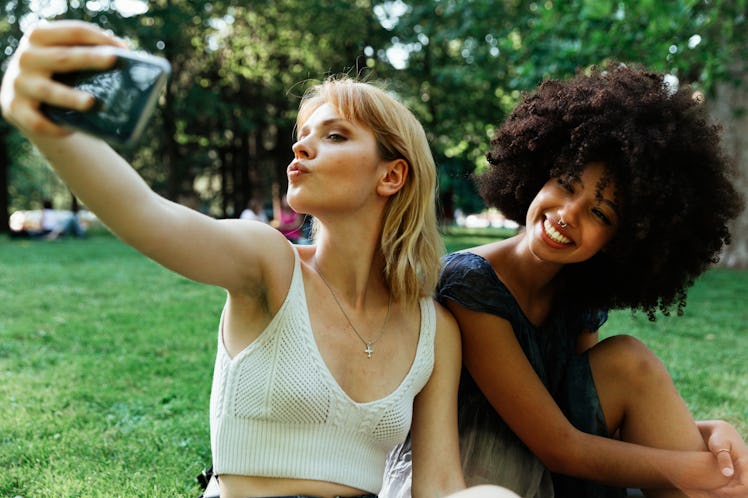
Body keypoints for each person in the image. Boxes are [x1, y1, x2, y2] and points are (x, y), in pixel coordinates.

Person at [0, 20, 520, 498]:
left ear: (391, 176)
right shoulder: (269, 263)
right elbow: (145, 214)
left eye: (334, 135)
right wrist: (51, 128)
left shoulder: (435, 330)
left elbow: (440, 486)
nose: (301, 148)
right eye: (302, 136)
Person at [413, 63, 746, 497]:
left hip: (554, 462)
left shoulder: (576, 294)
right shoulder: (469, 284)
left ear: (618, 241)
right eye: (567, 185)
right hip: (483, 471)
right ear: (539, 172)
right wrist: (701, 471)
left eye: (599, 213)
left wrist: (708, 433)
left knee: (629, 359)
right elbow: (559, 445)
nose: (568, 214)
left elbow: (590, 418)